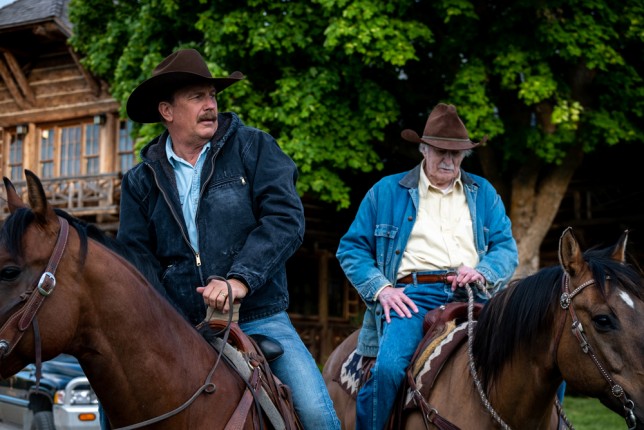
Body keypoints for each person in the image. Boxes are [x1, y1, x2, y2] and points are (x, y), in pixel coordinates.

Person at [113, 48, 340, 430]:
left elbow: (285, 220)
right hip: (177, 324)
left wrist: (239, 280)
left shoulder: (254, 147)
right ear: (167, 111)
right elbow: (137, 260)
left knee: (317, 415)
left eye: (212, 96)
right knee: (116, 406)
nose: (210, 105)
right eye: (196, 97)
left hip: (258, 315)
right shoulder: (139, 181)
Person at [336, 103, 519, 430]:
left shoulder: (484, 193)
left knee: (538, 348)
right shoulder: (386, 192)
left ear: (464, 155)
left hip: (474, 293)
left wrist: (483, 271)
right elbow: (351, 249)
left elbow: (505, 248)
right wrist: (383, 289)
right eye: (440, 151)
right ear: (423, 149)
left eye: (456, 153)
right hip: (413, 298)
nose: (448, 160)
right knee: (388, 370)